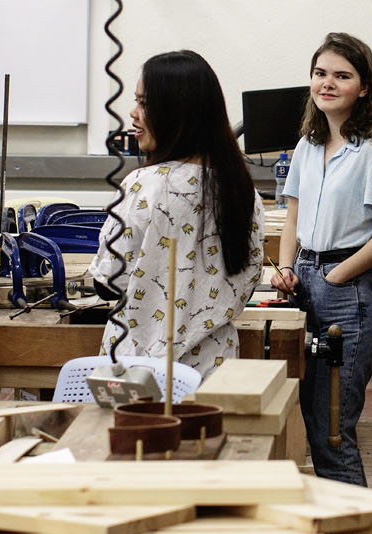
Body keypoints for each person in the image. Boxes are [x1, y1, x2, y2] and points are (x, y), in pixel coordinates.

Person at [269, 32, 372, 534]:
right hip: (305, 279)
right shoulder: (307, 145)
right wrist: (287, 267)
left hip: (350, 295)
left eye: (342, 75)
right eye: (321, 72)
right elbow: (293, 218)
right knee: (311, 419)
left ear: (364, 88)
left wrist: (335, 276)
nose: (328, 83)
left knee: (332, 428)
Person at [89, 51, 264, 378]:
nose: (132, 113)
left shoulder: (143, 186)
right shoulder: (242, 191)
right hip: (214, 371)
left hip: (140, 372)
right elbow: (249, 278)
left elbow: (108, 280)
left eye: (144, 103)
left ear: (176, 113)